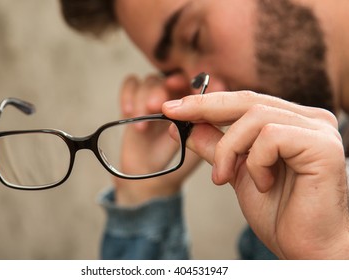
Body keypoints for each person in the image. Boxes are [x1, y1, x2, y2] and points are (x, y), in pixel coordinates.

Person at [59, 0, 349, 259]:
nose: (210, 95)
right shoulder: (296, 203)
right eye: (175, 75)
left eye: (194, 37)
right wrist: (143, 197)